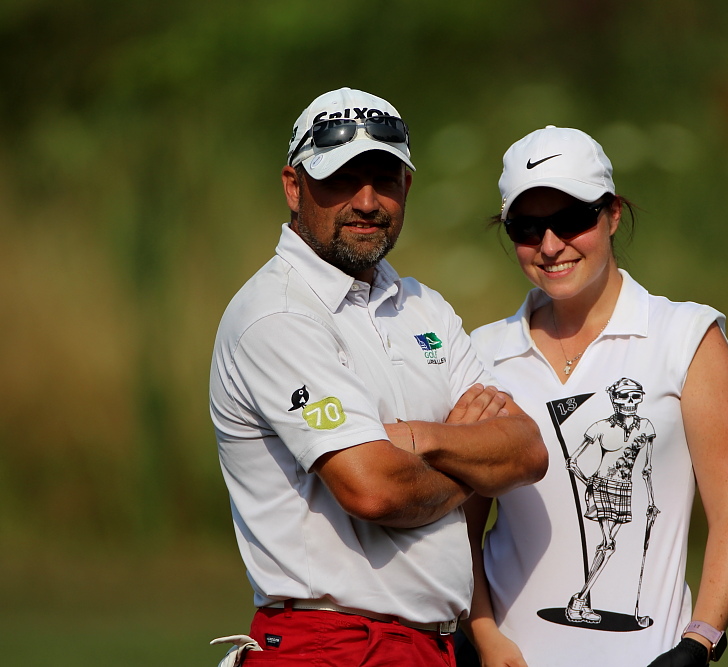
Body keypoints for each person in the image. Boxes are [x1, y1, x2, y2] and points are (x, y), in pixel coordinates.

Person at [208, 88, 547, 667]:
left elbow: (527, 451)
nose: (366, 202)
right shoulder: (276, 314)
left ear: (406, 186)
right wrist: (473, 466)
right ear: (293, 186)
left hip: (431, 646)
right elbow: (373, 490)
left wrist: (418, 439)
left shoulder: (423, 306)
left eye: (384, 180)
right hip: (327, 645)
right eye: (341, 179)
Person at [463, 126, 728, 667]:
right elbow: (461, 528)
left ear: (613, 214)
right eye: (527, 228)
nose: (550, 246)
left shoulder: (687, 338)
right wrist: (485, 637)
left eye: (572, 220)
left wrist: (698, 641)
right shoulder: (481, 354)